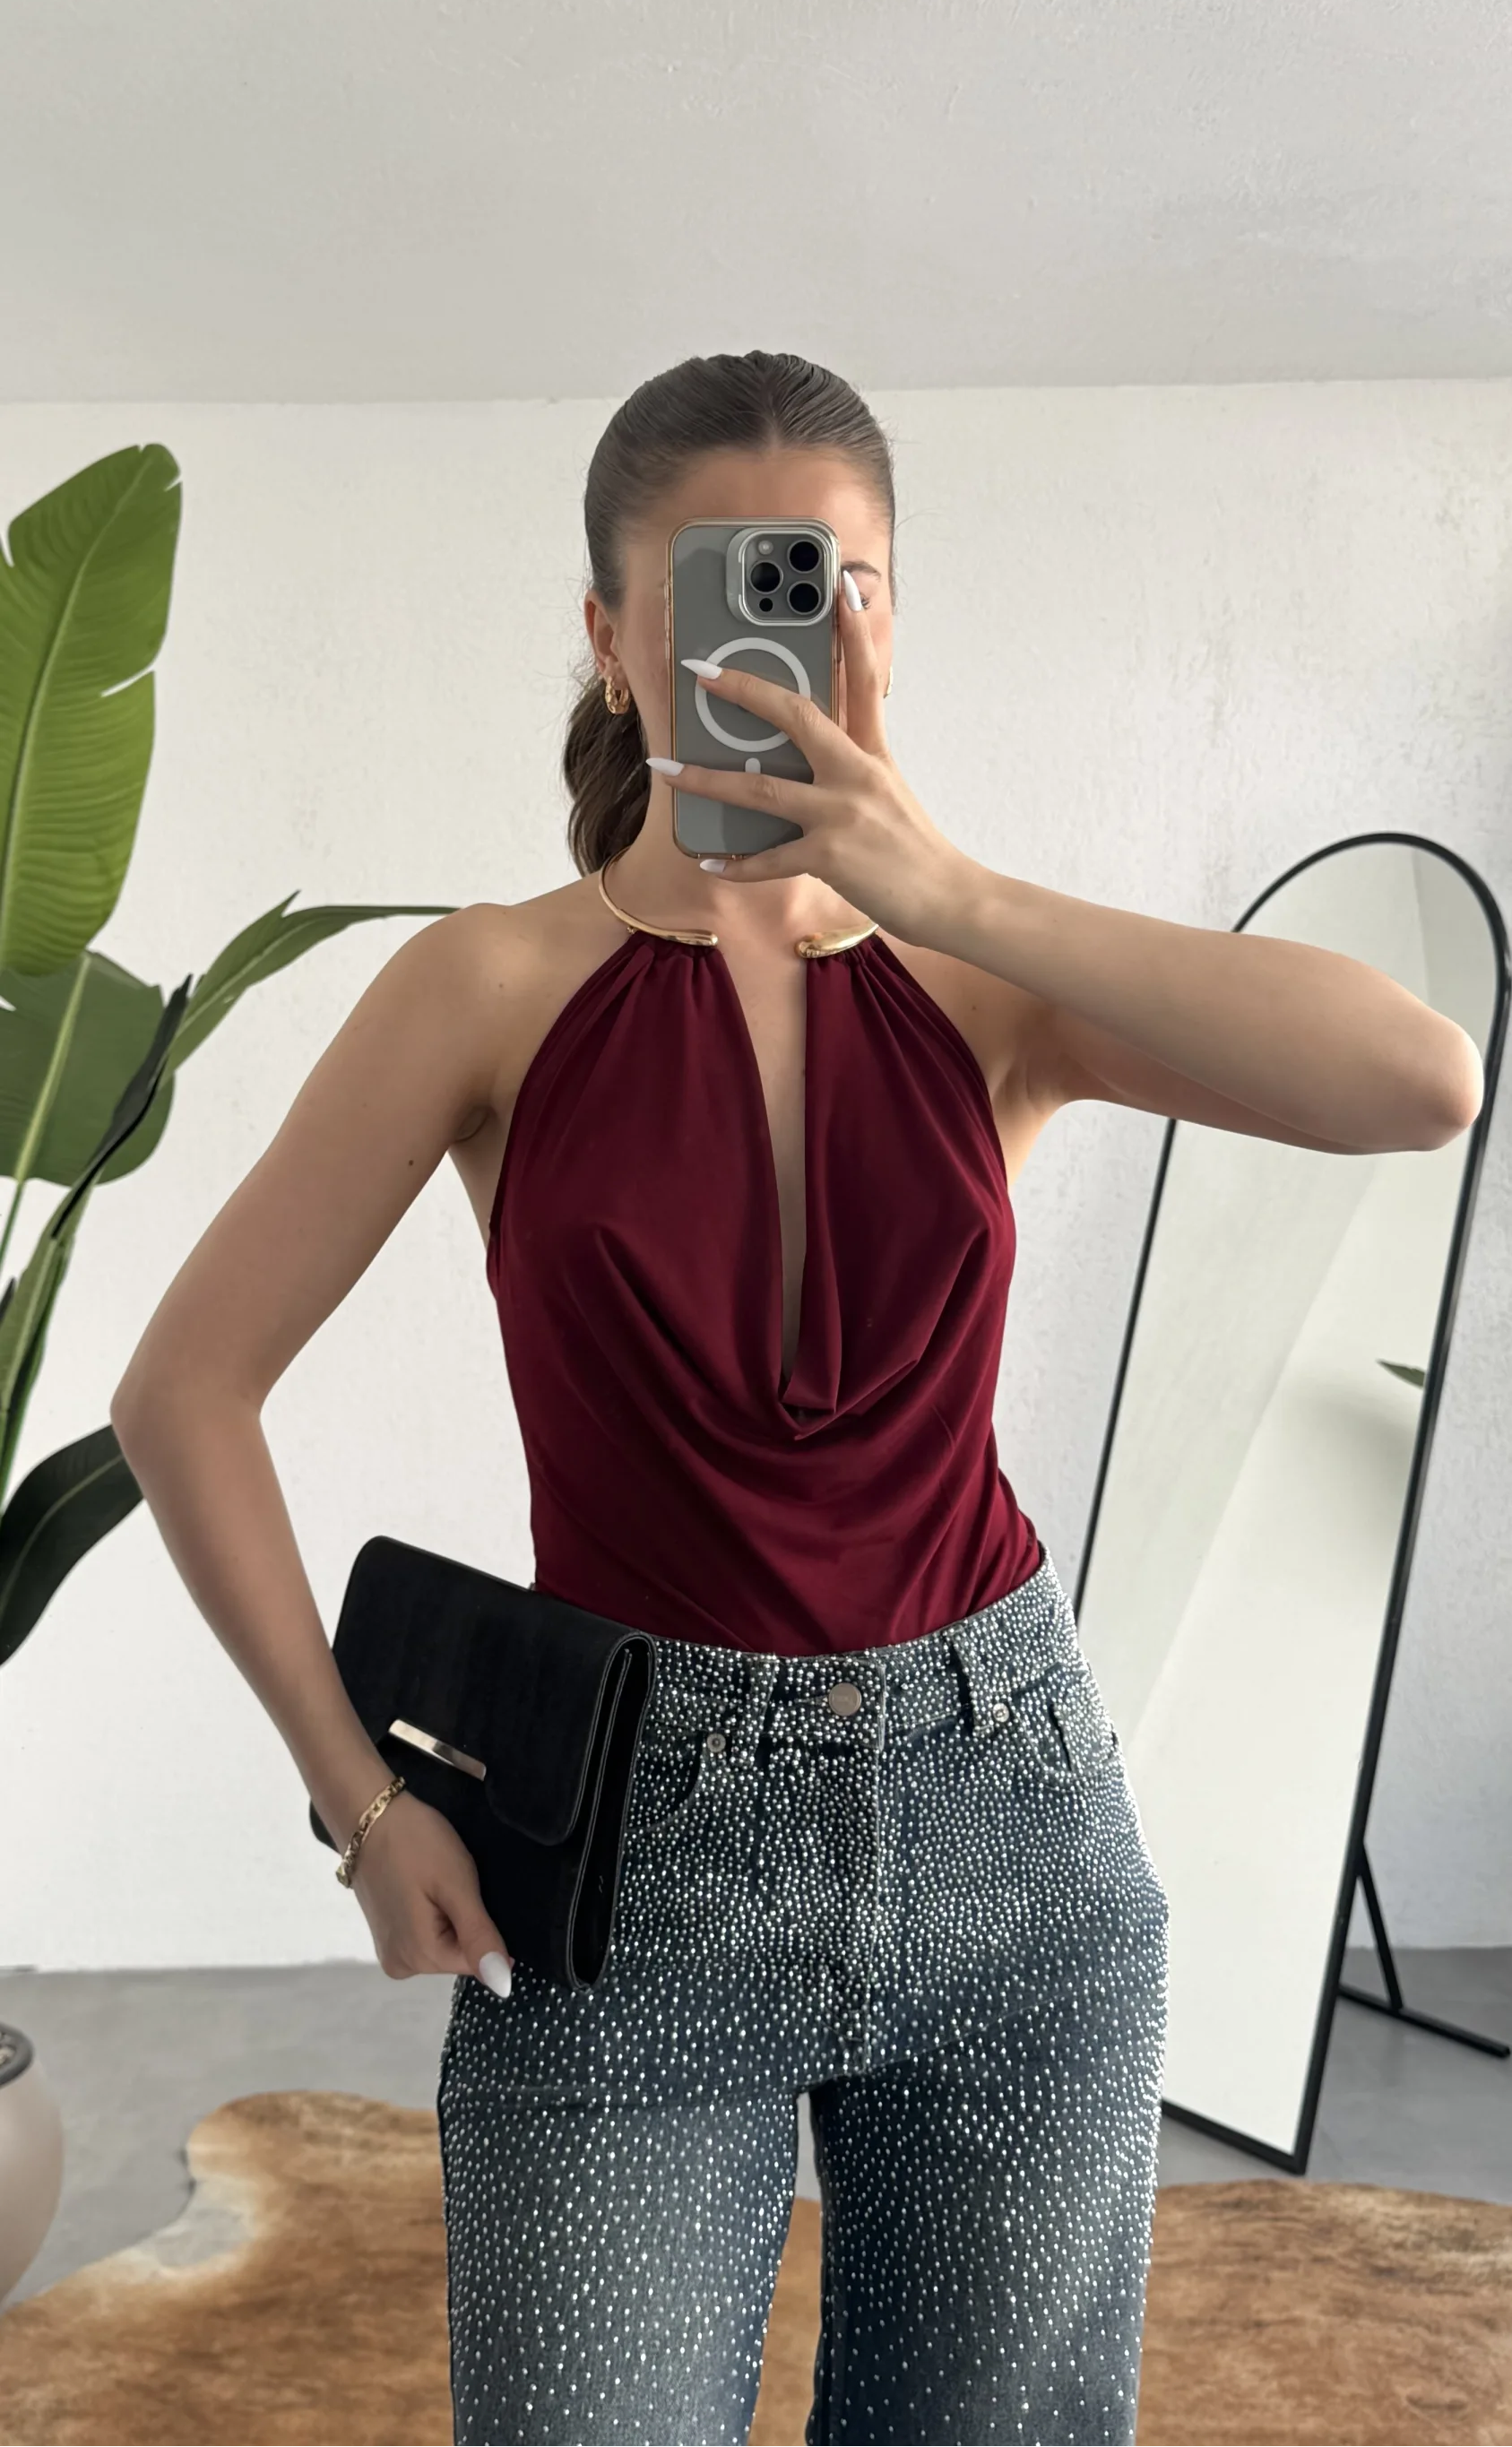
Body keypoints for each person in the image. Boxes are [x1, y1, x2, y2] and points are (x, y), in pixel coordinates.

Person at [110, 351, 1474, 2445]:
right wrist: (361, 1802)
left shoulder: (989, 980)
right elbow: (186, 1389)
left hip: (1014, 1818)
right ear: (611, 633)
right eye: (724, 586)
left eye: (836, 582)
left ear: (892, 617)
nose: (785, 634)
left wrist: (953, 892)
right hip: (632, 1851)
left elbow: (1422, 1078)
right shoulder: (487, 984)